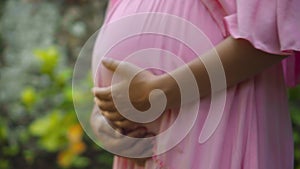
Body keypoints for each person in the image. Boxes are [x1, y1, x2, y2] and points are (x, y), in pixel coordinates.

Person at [91, 0, 300, 168]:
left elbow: (271, 28)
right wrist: (105, 121)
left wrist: (159, 92)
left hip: (219, 114)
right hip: (135, 144)